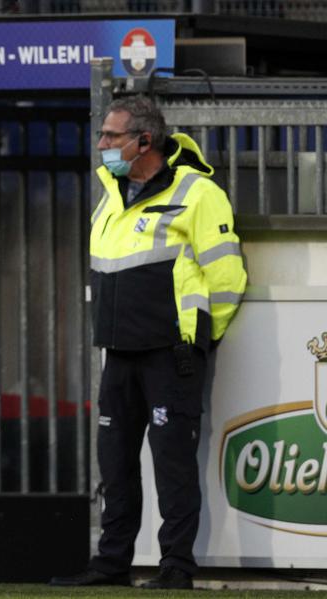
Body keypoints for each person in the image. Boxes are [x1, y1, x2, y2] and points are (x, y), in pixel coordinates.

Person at [51, 95, 247, 590]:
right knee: (114, 466)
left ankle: (176, 570)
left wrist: (197, 338)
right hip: (118, 353)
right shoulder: (112, 194)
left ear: (144, 140)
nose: (102, 146)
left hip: (171, 353)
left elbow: (226, 278)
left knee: (173, 468)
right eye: (102, 136)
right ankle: (110, 565)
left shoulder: (199, 193)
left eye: (111, 137)